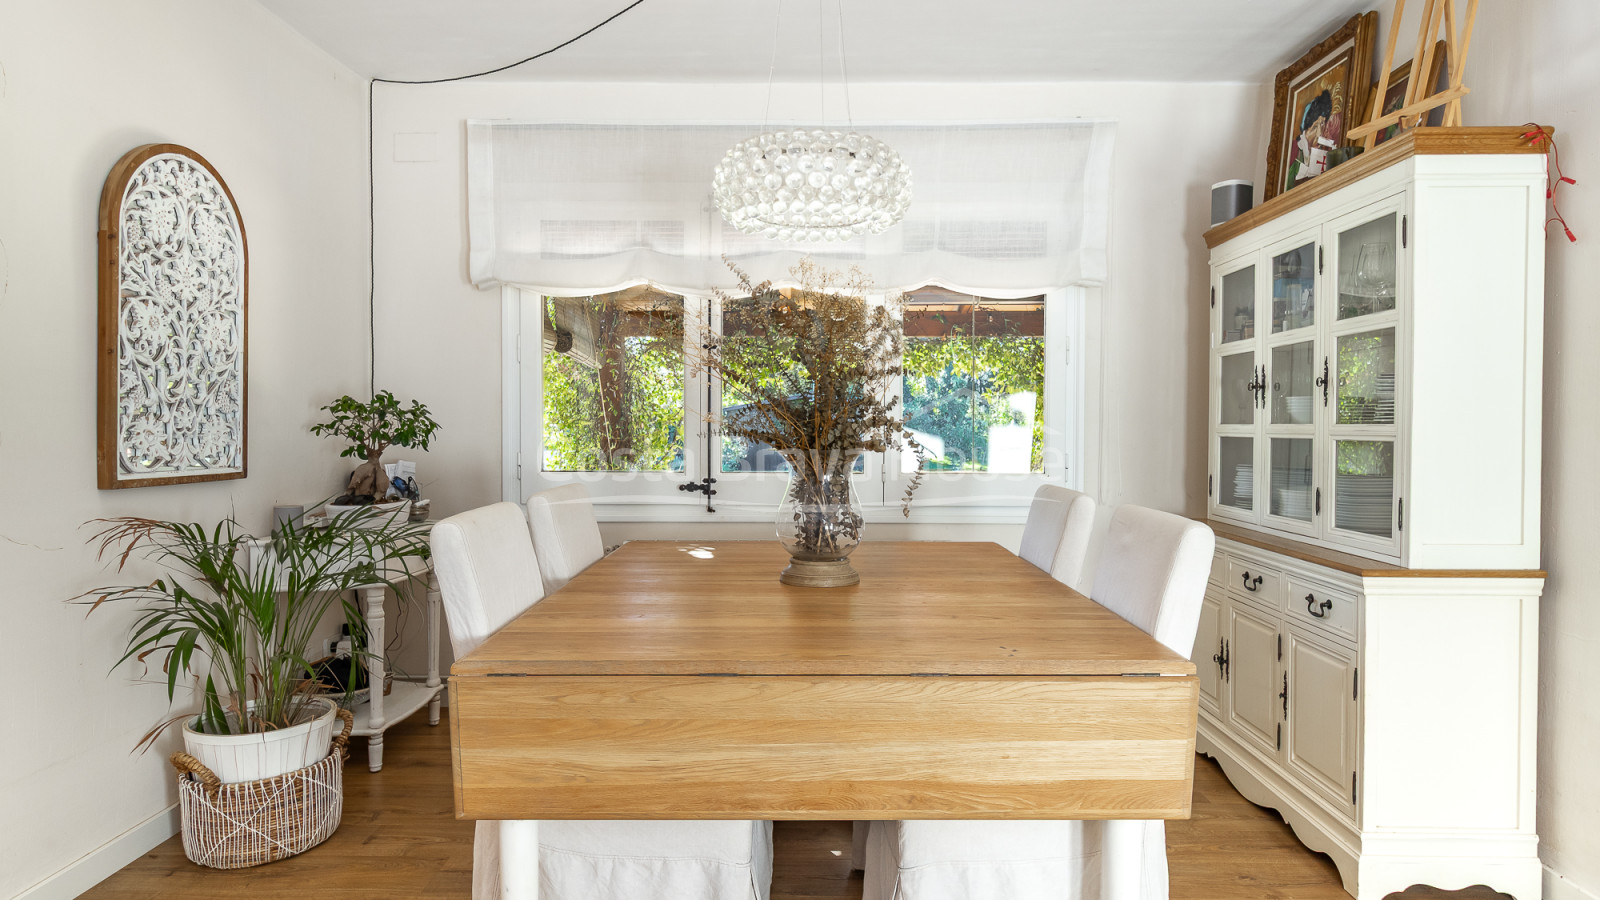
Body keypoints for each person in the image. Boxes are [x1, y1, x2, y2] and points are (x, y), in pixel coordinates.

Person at [1286, 90, 1335, 188]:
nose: (1319, 133)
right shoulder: (1293, 155)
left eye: (1322, 124)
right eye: (1314, 127)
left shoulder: (1327, 152)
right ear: (1305, 131)